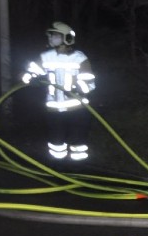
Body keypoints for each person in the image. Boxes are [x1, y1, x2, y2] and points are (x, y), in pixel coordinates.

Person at [22, 21, 96, 162]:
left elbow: (90, 83)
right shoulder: (45, 57)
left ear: (66, 38)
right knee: (56, 144)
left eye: (55, 35)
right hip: (54, 110)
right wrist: (31, 79)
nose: (51, 38)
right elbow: (28, 74)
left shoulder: (80, 58)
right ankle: (58, 170)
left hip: (77, 109)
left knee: (78, 144)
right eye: (51, 35)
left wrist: (79, 88)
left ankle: (78, 171)